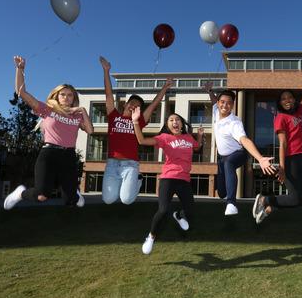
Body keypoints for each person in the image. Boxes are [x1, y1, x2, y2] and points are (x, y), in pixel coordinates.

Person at [4, 56, 93, 210]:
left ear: (74, 98)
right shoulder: (47, 110)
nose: (66, 97)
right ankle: (20, 194)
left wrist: (83, 110)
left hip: (69, 156)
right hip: (49, 153)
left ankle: (74, 194)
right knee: (41, 195)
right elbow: (22, 92)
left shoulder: (77, 115)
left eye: (70, 95)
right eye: (63, 94)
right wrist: (20, 69)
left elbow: (90, 130)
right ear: (56, 96)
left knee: (71, 199)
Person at [99, 56, 172, 205]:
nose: (133, 106)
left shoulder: (139, 121)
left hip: (131, 165)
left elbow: (153, 105)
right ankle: (122, 186)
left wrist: (165, 87)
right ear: (126, 104)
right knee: (108, 200)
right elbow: (108, 95)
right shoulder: (113, 116)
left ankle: (137, 180)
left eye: (137, 106)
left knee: (126, 200)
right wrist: (106, 71)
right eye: (132, 103)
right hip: (112, 164)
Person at [132, 108, 204, 254]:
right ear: (168, 125)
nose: (174, 122)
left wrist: (200, 136)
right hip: (168, 178)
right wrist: (135, 122)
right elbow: (142, 140)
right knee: (163, 210)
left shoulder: (189, 138)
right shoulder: (164, 138)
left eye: (177, 119)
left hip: (184, 179)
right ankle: (151, 236)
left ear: (182, 124)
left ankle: (178, 215)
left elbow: (198, 147)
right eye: (171, 120)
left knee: (190, 211)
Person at [205, 83, 276, 216]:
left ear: (233, 105)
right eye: (222, 102)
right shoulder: (216, 109)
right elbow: (214, 100)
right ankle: (226, 197)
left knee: (229, 163)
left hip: (238, 153)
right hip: (221, 157)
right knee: (221, 193)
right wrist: (209, 91)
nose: (224, 105)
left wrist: (260, 158)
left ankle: (231, 203)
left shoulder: (234, 123)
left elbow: (244, 140)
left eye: (228, 103)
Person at [252, 78, 302, 224]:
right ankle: (264, 199)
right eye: (283, 99)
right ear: (280, 103)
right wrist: (282, 167)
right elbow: (283, 143)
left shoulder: (300, 110)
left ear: (294, 99)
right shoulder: (281, 118)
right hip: (289, 158)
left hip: (300, 157)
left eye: (290, 97)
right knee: (294, 198)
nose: (287, 100)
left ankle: (267, 209)